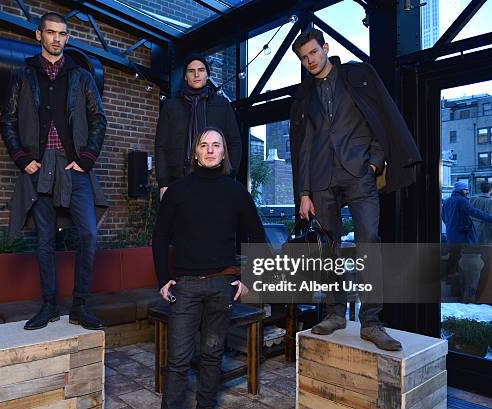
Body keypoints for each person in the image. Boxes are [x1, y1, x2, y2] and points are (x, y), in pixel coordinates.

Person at [289, 29, 422, 351]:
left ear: (325, 47)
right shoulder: (305, 95)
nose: (310, 61)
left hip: (359, 175)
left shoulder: (356, 76)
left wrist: (375, 163)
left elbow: (380, 120)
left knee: (369, 244)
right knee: (329, 250)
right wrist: (303, 193)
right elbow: (303, 146)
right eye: (304, 58)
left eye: (313, 53)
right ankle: (335, 313)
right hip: (321, 179)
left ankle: (372, 322)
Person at [0, 12, 107, 330]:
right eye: (51, 32)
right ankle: (48, 305)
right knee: (45, 239)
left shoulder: (81, 77)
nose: (57, 38)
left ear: (67, 38)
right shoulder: (23, 74)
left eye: (62, 34)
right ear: (39, 36)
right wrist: (21, 158)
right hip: (39, 165)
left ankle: (80, 306)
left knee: (87, 232)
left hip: (75, 166)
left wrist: (87, 157)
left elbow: (98, 119)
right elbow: (7, 120)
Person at [152, 127, 265, 409]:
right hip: (185, 287)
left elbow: (258, 237)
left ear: (224, 152)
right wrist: (163, 279)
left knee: (212, 356)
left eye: (216, 145)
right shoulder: (178, 191)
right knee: (178, 360)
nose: (210, 150)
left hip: (221, 287)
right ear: (196, 152)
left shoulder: (237, 192)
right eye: (204, 145)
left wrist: (247, 279)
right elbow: (160, 238)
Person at [155, 54, 242, 200]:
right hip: (178, 180)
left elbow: (235, 142)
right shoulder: (170, 106)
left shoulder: (222, 105)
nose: (196, 74)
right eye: (191, 71)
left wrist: (229, 175)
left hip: (216, 179)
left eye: (201, 70)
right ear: (185, 77)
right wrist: (163, 182)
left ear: (207, 75)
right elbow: (161, 145)